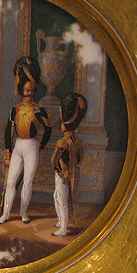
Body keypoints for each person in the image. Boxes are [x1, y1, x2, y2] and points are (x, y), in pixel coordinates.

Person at [0, 56, 52, 224]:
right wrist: (8, 151)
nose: (29, 94)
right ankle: (5, 214)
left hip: (32, 145)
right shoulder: (15, 109)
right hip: (18, 144)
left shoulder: (39, 110)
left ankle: (24, 213)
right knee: (11, 181)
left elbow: (48, 129)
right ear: (21, 90)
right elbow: (9, 130)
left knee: (27, 181)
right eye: (26, 91)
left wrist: (41, 145)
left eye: (31, 91)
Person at [51, 92, 87, 236]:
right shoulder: (77, 141)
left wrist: (62, 170)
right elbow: (80, 157)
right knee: (58, 196)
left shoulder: (63, 142)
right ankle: (61, 221)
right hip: (70, 173)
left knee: (61, 199)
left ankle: (63, 228)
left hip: (62, 174)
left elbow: (54, 160)